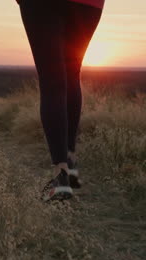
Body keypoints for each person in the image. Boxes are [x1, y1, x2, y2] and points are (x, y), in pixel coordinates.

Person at [16, 0, 105, 202]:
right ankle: (70, 164)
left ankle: (60, 176)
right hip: (88, 4)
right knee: (71, 74)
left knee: (52, 80)